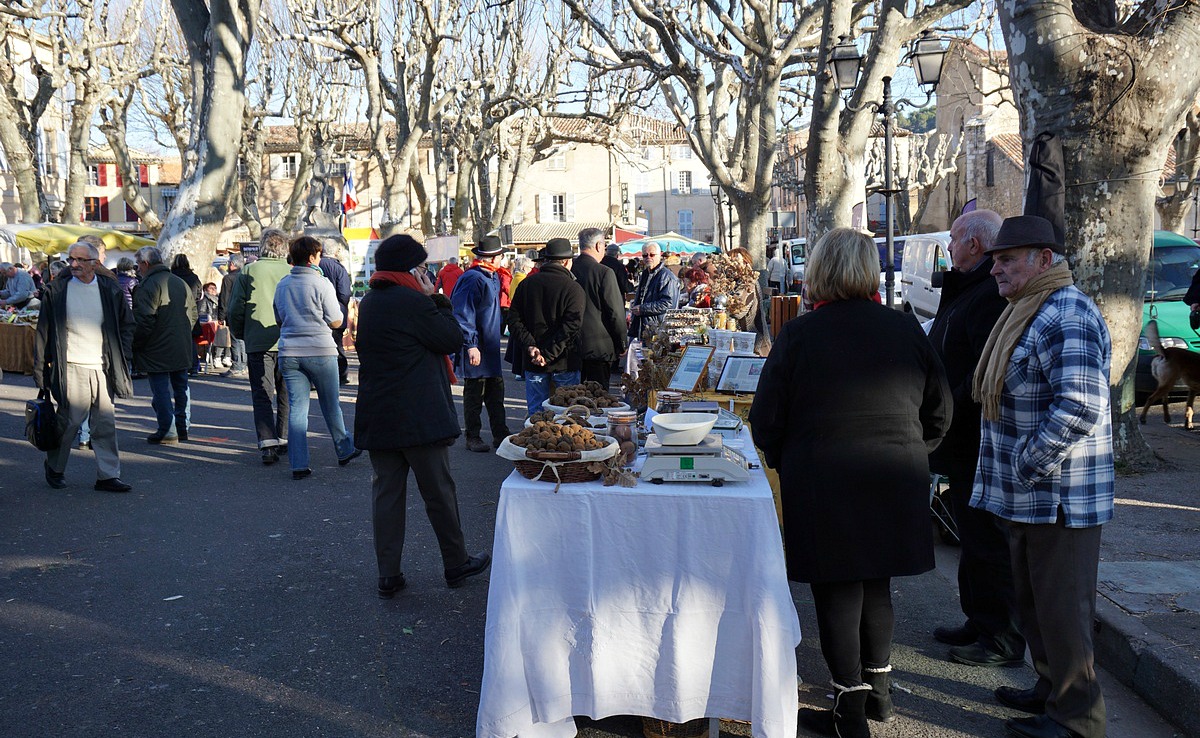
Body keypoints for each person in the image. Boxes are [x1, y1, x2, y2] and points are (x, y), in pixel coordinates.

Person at [748, 228, 951, 738]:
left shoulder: (799, 334)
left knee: (837, 589)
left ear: (819, 271)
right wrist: (911, 452)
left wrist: (783, 458)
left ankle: (849, 710)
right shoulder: (904, 329)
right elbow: (940, 411)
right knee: (876, 582)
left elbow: (766, 418)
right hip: (893, 475)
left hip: (825, 477)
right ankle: (876, 695)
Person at [972, 215, 1113, 738]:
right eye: (994, 261)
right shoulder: (1032, 310)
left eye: (1007, 260)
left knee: (1063, 613)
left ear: (1043, 260)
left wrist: (1025, 464)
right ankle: (1050, 690)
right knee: (1035, 605)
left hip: (1059, 496)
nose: (996, 271)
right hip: (1033, 496)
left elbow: (1079, 405)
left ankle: (1079, 721)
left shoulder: (1065, 312)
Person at [355, 233, 492, 597]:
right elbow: (450, 339)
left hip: (379, 414)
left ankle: (388, 573)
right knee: (438, 492)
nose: (428, 273)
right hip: (418, 417)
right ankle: (456, 562)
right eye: (424, 267)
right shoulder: (415, 302)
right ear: (411, 269)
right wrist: (438, 300)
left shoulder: (370, 302)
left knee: (386, 495)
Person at [924, 210, 1026, 669]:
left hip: (974, 437)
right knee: (969, 532)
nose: (947, 247)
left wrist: (947, 403)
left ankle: (1000, 635)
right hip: (960, 436)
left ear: (973, 245)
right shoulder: (968, 286)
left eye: (953, 240)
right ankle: (979, 619)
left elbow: (984, 371)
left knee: (985, 538)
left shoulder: (986, 295)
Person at [34, 240, 135, 492]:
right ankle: (55, 467)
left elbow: (127, 324)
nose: (74, 264)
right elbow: (43, 332)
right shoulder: (57, 290)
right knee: (69, 422)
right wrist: (40, 370)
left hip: (104, 366)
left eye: (80, 260)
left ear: (95, 263)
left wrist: (123, 354)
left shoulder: (109, 288)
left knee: (105, 424)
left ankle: (108, 475)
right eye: (72, 259)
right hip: (71, 365)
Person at [273, 235, 361, 479]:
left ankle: (299, 464)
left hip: (290, 351)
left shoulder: (282, 285)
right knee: (330, 404)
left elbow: (279, 319)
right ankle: (344, 449)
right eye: (319, 255)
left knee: (297, 409)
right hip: (320, 350)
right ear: (312, 257)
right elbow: (336, 320)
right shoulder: (322, 284)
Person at [227, 229, 291, 465]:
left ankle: (267, 444)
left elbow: (235, 309)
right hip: (287, 339)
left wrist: (240, 332)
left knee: (262, 394)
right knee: (286, 392)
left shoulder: (249, 270)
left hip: (258, 340)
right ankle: (284, 438)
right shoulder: (290, 270)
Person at [506, 238, 585, 418]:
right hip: (564, 360)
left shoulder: (527, 284)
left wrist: (532, 347)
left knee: (537, 415)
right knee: (567, 415)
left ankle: (536, 445)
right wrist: (547, 353)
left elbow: (514, 320)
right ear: (566, 261)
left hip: (534, 360)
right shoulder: (573, 288)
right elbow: (572, 326)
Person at [451, 235, 512, 452]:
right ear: (494, 258)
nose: (502, 259)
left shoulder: (491, 276)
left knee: (496, 393)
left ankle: (500, 434)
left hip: (491, 345)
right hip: (478, 345)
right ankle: (473, 436)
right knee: (474, 394)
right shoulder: (472, 278)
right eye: (501, 255)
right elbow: (462, 313)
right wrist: (471, 344)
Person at [133, 246, 198, 444]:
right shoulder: (180, 283)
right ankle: (182, 426)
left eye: (138, 265)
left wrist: (136, 344)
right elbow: (193, 314)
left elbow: (144, 320)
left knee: (161, 390)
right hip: (180, 343)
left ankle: (168, 429)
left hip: (157, 346)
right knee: (181, 387)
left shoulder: (148, 285)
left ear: (145, 264)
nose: (137, 270)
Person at [571, 228, 627, 389]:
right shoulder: (604, 273)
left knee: (573, 399)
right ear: (597, 246)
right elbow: (615, 312)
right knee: (598, 398)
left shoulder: (569, 269)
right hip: (599, 347)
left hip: (572, 345)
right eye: (604, 245)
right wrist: (622, 342)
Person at [628, 241, 680, 341]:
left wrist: (642, 309)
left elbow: (668, 304)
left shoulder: (667, 276)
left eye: (652, 255)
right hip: (644, 328)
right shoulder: (645, 274)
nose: (648, 257)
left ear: (659, 255)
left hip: (658, 330)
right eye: (645, 255)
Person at [318, 240, 353, 385]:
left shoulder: (316, 266)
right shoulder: (339, 268)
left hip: (318, 313)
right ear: (336, 251)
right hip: (336, 313)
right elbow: (345, 293)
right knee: (337, 346)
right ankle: (341, 375)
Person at [727, 247, 772, 355]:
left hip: (754, 344)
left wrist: (724, 305)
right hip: (747, 342)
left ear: (745, 263)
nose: (731, 266)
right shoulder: (737, 282)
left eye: (734, 262)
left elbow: (738, 311)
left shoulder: (748, 283)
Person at [217, 252, 248, 378]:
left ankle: (237, 365)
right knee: (242, 341)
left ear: (232, 264)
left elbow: (224, 299)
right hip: (245, 311)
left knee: (235, 340)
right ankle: (243, 365)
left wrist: (221, 316)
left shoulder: (228, 279)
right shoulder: (244, 276)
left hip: (232, 311)